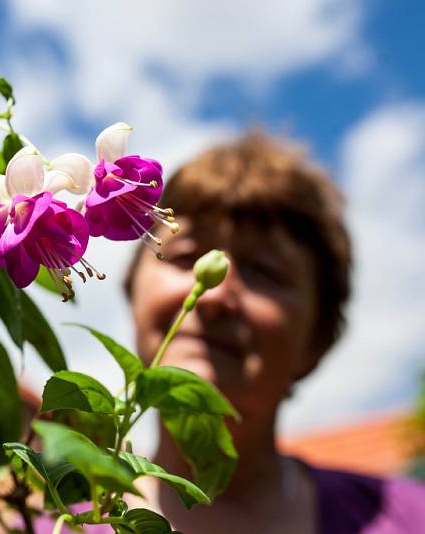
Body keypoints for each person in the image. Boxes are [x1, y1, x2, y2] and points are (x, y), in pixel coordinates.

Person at [121, 132, 425, 533]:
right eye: (184, 256)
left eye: (264, 271)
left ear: (318, 338)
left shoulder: (405, 518)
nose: (215, 295)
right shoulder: (39, 522)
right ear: (131, 289)